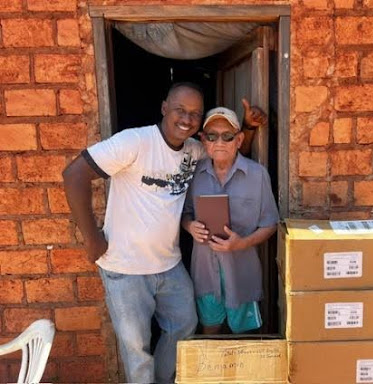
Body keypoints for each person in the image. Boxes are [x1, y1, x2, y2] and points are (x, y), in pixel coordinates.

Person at [62, 82, 266, 383]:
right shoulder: (134, 141)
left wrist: (247, 128)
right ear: (164, 109)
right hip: (125, 268)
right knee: (136, 349)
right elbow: (74, 174)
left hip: (169, 266)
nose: (186, 118)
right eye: (180, 110)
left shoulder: (194, 150)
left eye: (195, 114)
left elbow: (226, 151)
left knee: (185, 325)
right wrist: (92, 238)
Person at [182, 107, 279, 335]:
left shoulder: (257, 175)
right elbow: (184, 213)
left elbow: (270, 223)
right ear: (203, 141)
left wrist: (242, 243)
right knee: (210, 331)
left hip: (241, 272)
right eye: (212, 136)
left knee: (245, 339)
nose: (220, 142)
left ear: (239, 140)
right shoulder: (194, 174)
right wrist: (189, 226)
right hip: (205, 270)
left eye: (227, 136)